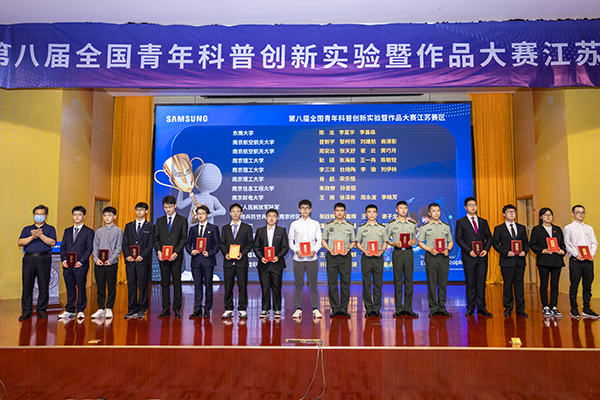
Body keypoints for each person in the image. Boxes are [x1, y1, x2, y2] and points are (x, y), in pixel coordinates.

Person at [454, 197, 493, 318]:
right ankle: (470, 307)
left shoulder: (483, 222)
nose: (473, 207)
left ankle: (481, 307)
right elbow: (458, 239)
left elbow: (489, 237)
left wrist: (486, 250)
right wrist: (469, 251)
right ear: (465, 207)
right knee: (470, 283)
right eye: (470, 205)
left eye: (474, 205)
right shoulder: (461, 222)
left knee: (481, 283)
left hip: (482, 257)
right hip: (469, 257)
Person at [17, 205, 57, 321]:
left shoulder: (50, 229)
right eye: (37, 214)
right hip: (29, 258)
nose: (39, 216)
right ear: (33, 215)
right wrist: (32, 237)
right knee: (27, 285)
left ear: (46, 215)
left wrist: (41, 235)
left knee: (43, 285)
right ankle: (26, 311)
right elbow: (20, 242)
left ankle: (41, 310)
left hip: (44, 258)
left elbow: (52, 242)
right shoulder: (27, 229)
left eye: (41, 214)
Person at [492, 204, 530, 318]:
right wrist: (506, 252)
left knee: (519, 286)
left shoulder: (521, 228)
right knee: (507, 286)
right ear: (504, 214)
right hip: (507, 261)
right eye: (509, 212)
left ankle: (520, 309)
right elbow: (495, 244)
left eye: (513, 212)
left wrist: (524, 251)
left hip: (520, 261)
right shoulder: (499, 228)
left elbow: (526, 243)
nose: (511, 214)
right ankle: (508, 308)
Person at [154, 195, 188, 318]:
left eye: (170, 206)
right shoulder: (159, 221)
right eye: (166, 207)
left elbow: (183, 239)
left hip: (176, 257)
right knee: (165, 283)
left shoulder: (182, 220)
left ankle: (177, 309)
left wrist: (176, 252)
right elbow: (156, 238)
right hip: (163, 257)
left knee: (177, 282)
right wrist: (158, 251)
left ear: (175, 206)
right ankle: (165, 308)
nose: (168, 209)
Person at [418, 203, 454, 317]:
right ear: (429, 213)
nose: (436, 213)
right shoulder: (425, 227)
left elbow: (450, 241)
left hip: (443, 257)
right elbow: (420, 242)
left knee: (442, 283)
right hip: (431, 256)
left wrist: (448, 249)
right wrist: (430, 249)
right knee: (432, 283)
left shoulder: (446, 226)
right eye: (434, 211)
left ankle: (442, 307)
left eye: (438, 210)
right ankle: (433, 308)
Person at [529, 207, 566, 318]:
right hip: (544, 260)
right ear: (541, 217)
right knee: (544, 284)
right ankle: (545, 306)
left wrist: (562, 251)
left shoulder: (557, 229)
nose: (548, 217)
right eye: (545, 215)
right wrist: (542, 250)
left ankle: (554, 306)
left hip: (556, 260)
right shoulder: (537, 229)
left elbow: (562, 244)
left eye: (550, 215)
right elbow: (532, 244)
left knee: (555, 284)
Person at [185, 205, 221, 319]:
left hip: (208, 261)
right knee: (197, 286)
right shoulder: (193, 229)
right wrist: (191, 251)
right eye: (198, 214)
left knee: (208, 286)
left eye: (203, 213)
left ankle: (207, 309)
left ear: (207, 215)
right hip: (196, 261)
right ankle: (197, 309)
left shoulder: (213, 228)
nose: (200, 216)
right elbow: (187, 243)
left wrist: (210, 253)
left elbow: (217, 244)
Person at [289, 199, 323, 319]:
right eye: (302, 208)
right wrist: (296, 250)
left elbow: (319, 240)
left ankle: (315, 308)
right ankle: (298, 308)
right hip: (298, 259)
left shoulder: (315, 224)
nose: (305, 210)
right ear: (299, 210)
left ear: (310, 210)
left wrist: (314, 251)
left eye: (307, 208)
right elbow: (290, 240)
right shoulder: (294, 224)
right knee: (298, 284)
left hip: (312, 259)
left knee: (313, 284)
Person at [58, 206, 94, 320]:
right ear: (72, 216)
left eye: (79, 214)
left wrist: (81, 261)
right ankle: (69, 309)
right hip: (67, 265)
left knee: (81, 287)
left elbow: (89, 248)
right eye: (75, 214)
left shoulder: (89, 231)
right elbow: (63, 247)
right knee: (69, 287)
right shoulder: (67, 231)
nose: (77, 217)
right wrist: (64, 260)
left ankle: (80, 309)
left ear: (84, 216)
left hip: (80, 265)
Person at [564, 204, 599, 319]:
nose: (581, 214)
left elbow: (594, 243)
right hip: (576, 260)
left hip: (588, 261)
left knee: (587, 285)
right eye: (578, 212)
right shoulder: (568, 228)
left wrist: (592, 254)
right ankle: (574, 308)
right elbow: (567, 244)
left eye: (583, 212)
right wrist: (576, 254)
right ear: (573, 214)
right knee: (574, 285)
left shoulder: (589, 228)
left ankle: (587, 308)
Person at [220, 203, 254, 319]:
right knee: (228, 286)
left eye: (237, 211)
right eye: (233, 211)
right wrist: (226, 253)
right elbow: (222, 243)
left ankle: (242, 308)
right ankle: (228, 308)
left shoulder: (247, 227)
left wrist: (242, 253)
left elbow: (250, 243)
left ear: (241, 213)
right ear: (230, 213)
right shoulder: (225, 228)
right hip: (228, 262)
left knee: (242, 285)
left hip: (241, 261)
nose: (235, 213)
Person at [253, 208, 289, 319]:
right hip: (263, 264)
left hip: (276, 264)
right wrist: (261, 257)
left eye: (274, 216)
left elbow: (285, 247)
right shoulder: (260, 231)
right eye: (269, 216)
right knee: (265, 287)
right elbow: (256, 247)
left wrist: (278, 257)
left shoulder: (281, 230)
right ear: (266, 218)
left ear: (277, 218)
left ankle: (277, 309)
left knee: (277, 287)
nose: (271, 218)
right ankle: (265, 309)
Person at [322, 202, 356, 318]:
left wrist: (348, 249)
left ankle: (344, 309)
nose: (339, 212)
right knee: (332, 284)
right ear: (334, 212)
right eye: (337, 210)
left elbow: (354, 242)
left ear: (345, 212)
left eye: (342, 210)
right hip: (332, 257)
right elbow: (323, 241)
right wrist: (329, 250)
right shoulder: (328, 225)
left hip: (345, 257)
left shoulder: (350, 226)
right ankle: (335, 309)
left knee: (345, 283)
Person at [122, 202, 155, 319]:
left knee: (142, 285)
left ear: (146, 211)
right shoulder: (128, 226)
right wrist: (127, 255)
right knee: (131, 284)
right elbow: (125, 243)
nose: (139, 211)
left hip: (143, 261)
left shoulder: (150, 226)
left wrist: (142, 255)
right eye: (137, 209)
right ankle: (132, 308)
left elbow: (150, 244)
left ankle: (142, 308)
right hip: (130, 261)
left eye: (142, 209)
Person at [387, 201, 418, 318]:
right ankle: (399, 308)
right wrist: (394, 243)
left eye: (405, 208)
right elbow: (387, 239)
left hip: (409, 252)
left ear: (407, 209)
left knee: (409, 279)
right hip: (397, 252)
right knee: (398, 280)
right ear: (396, 210)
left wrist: (413, 241)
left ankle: (408, 308)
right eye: (401, 208)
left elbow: (414, 239)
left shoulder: (412, 224)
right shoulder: (391, 224)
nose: (403, 210)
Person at [356, 204, 388, 318]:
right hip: (366, 258)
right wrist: (364, 251)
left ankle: (377, 309)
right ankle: (369, 309)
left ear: (377, 214)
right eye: (369, 212)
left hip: (378, 258)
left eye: (374, 212)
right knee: (367, 284)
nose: (371, 214)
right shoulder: (361, 228)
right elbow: (357, 243)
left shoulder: (382, 228)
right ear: (366, 214)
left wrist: (382, 251)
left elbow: (385, 241)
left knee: (378, 284)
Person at [91, 206, 123, 320]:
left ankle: (109, 308)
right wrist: (96, 259)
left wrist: (111, 260)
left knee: (111, 287)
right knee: (100, 287)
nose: (107, 218)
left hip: (111, 264)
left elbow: (118, 248)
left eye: (109, 215)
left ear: (114, 217)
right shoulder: (99, 231)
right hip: (99, 263)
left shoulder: (118, 231)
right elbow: (95, 246)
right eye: (105, 215)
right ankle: (100, 308)